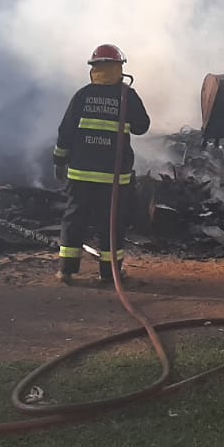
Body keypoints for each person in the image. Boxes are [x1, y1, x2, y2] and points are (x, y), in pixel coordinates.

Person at [53, 43, 151, 284]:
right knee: (111, 223)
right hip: (113, 176)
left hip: (80, 174)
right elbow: (142, 127)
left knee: (74, 219)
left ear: (94, 68)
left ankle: (66, 270)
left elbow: (65, 131)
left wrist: (59, 161)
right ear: (119, 68)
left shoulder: (82, 95)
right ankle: (109, 273)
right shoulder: (127, 96)